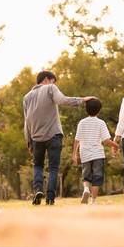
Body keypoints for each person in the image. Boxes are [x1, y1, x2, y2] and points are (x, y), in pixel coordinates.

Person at [23, 70, 95, 205]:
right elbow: (63, 100)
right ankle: (50, 198)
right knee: (53, 168)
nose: (53, 83)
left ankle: (38, 189)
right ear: (46, 79)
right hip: (53, 135)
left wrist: (29, 142)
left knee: (38, 166)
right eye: (52, 81)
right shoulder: (50, 88)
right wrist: (82, 100)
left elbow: (26, 121)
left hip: (36, 138)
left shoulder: (27, 97)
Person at [73, 98, 119, 205]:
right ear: (99, 110)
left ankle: (86, 190)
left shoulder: (82, 122)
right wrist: (116, 145)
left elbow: (77, 140)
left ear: (86, 109)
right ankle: (93, 202)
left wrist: (74, 154)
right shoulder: (101, 123)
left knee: (86, 176)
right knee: (96, 179)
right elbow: (106, 140)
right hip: (98, 154)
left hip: (85, 153)